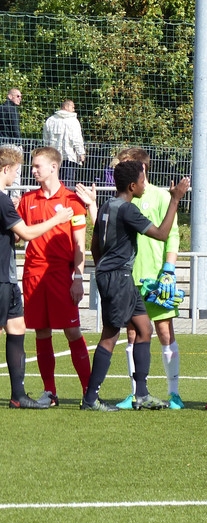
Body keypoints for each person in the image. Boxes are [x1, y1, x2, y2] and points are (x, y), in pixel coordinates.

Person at [81, 161, 189, 411]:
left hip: (120, 277)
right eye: (142, 181)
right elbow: (161, 234)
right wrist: (175, 199)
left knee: (144, 329)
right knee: (110, 335)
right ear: (132, 186)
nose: (144, 185)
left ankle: (141, 394)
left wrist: (103, 268)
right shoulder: (128, 209)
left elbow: (95, 244)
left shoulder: (107, 205)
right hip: (118, 278)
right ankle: (90, 398)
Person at [17, 147, 96, 406]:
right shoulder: (27, 200)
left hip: (61, 274)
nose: (33, 170)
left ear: (54, 167)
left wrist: (78, 278)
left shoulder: (72, 200)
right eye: (32, 166)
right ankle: (49, 392)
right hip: (33, 273)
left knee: (72, 330)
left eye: (37, 166)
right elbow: (17, 235)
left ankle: (89, 391)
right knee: (41, 331)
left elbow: (80, 243)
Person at [0, 144, 75, 409]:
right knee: (17, 329)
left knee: (19, 329)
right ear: (5, 169)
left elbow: (17, 235)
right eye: (18, 170)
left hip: (14, 277)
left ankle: (19, 395)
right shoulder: (7, 200)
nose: (21, 174)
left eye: (33, 167)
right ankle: (26, 394)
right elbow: (25, 234)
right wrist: (56, 219)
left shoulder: (7, 202)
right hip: (8, 276)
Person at [111, 148, 185, 410]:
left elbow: (172, 234)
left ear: (141, 167)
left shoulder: (161, 196)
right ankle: (135, 393)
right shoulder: (122, 199)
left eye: (126, 164)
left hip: (156, 277)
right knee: (132, 334)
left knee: (164, 331)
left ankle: (174, 393)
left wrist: (169, 270)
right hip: (129, 277)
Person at [43, 100, 86, 188]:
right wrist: (81, 153)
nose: (74, 110)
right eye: (72, 107)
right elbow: (77, 139)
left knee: (53, 179)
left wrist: (46, 153)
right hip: (69, 157)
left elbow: (46, 139)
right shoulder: (73, 121)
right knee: (67, 182)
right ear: (66, 107)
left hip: (53, 156)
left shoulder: (51, 120)